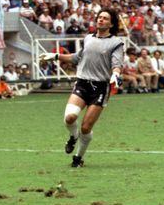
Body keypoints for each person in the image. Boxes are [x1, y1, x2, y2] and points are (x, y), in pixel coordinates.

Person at [39, 9, 124, 168]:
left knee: (86, 127)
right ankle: (73, 136)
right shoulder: (88, 38)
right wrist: (55, 56)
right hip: (82, 83)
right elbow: (77, 58)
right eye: (99, 17)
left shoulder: (116, 43)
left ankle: (78, 157)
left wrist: (115, 75)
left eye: (105, 18)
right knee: (69, 118)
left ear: (111, 23)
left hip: (100, 88)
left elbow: (117, 64)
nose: (101, 20)